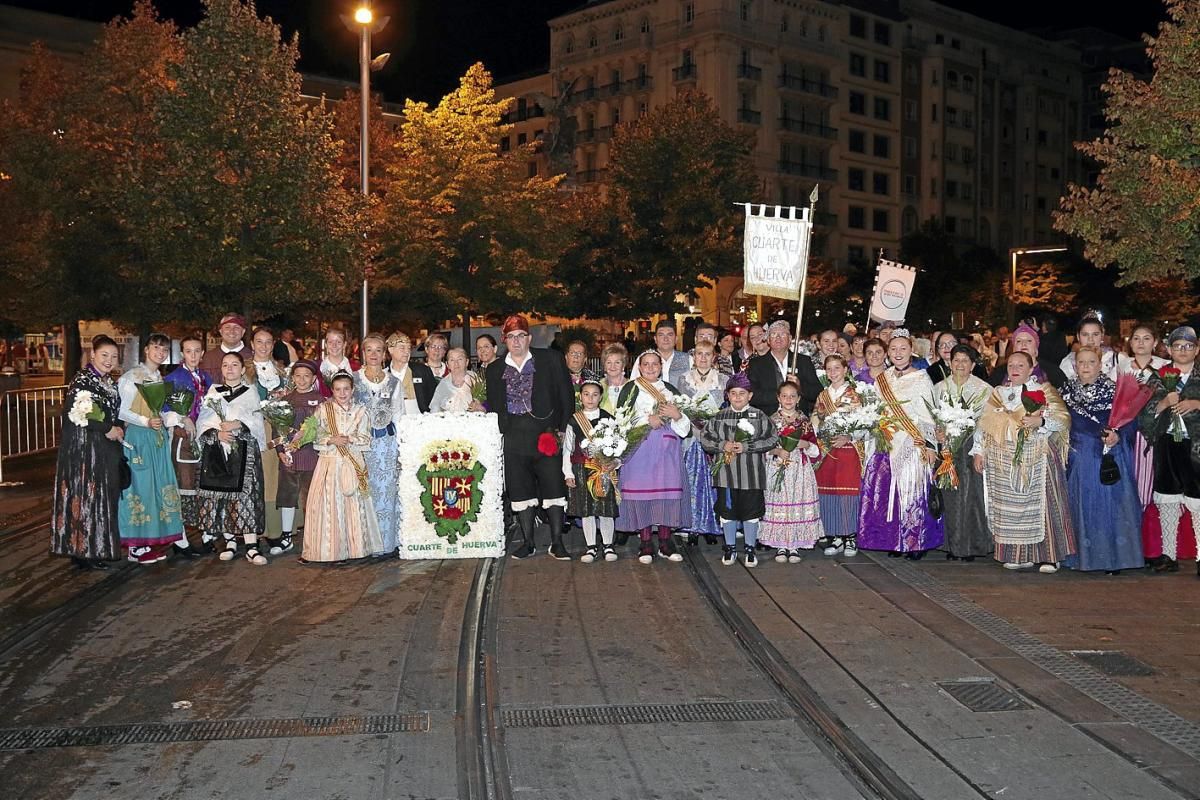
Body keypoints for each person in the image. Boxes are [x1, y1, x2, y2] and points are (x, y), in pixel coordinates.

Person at [973, 351, 1077, 572]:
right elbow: (983, 425)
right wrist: (979, 452)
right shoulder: (997, 394)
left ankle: (1049, 556)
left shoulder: (1043, 390)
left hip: (1038, 457)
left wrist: (1040, 421)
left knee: (1044, 506)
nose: (1015, 368)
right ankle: (1019, 555)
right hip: (1004, 461)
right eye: (1011, 364)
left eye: (1021, 365)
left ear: (1031, 369)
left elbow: (1063, 420)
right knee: (1009, 509)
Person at [485, 315, 575, 560]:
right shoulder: (494, 369)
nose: (516, 341)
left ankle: (557, 542)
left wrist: (562, 429)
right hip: (513, 435)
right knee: (520, 489)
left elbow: (567, 396)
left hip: (546, 433)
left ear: (529, 338)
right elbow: (494, 405)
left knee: (554, 486)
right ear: (505, 340)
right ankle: (528, 542)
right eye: (511, 337)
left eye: (521, 336)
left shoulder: (550, 359)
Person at [857, 332, 944, 558]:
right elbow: (876, 411)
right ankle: (895, 539)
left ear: (911, 351)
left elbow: (927, 417)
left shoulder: (922, 378)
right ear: (888, 352)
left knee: (912, 493)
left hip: (911, 443)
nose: (898, 353)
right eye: (893, 349)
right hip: (886, 441)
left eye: (902, 349)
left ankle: (915, 541)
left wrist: (930, 446)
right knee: (889, 493)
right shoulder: (883, 379)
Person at [1061, 347, 1145, 574]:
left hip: (1110, 454)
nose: (1086, 366)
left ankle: (1114, 559)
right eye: (1081, 362)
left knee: (1112, 507)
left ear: (1100, 364)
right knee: (1083, 505)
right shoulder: (1065, 392)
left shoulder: (1114, 390)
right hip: (1080, 457)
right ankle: (1081, 558)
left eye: (1091, 362)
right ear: (1074, 365)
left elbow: (1130, 421)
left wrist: (1118, 435)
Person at [51, 335, 126, 570]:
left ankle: (93, 548)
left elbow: (112, 412)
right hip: (85, 449)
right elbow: (77, 413)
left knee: (101, 497)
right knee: (86, 497)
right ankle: (84, 550)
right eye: (104, 355)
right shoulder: (83, 380)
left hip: (104, 448)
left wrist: (118, 428)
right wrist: (106, 428)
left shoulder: (109, 382)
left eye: (114, 356)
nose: (109, 360)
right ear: (93, 355)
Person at [615, 350, 692, 563]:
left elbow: (685, 429)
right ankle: (646, 543)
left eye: (655, 364)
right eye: (646, 364)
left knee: (666, 497)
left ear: (661, 367)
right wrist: (646, 420)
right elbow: (621, 421)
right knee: (643, 497)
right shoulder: (630, 388)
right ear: (639, 367)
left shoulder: (670, 390)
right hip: (641, 449)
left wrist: (677, 415)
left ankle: (665, 543)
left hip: (667, 451)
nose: (650, 368)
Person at [117, 333, 186, 564]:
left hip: (155, 437)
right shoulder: (131, 377)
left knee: (157, 487)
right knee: (140, 487)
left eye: (164, 350)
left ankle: (151, 539)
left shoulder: (157, 376)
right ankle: (135, 545)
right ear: (146, 349)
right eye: (156, 347)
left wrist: (171, 417)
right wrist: (146, 421)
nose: (160, 352)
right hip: (139, 438)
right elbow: (122, 411)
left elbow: (157, 410)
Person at [302, 371, 384, 563]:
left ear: (352, 389)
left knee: (353, 505)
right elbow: (314, 436)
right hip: (329, 463)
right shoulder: (323, 409)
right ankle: (328, 550)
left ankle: (355, 548)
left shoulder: (361, 411)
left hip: (351, 462)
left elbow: (366, 438)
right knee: (328, 506)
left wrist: (349, 439)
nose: (342, 393)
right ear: (332, 390)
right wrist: (331, 439)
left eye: (346, 388)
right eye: (338, 389)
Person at [195, 352, 268, 565]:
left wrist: (237, 424)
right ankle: (229, 540)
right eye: (225, 364)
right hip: (218, 450)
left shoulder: (250, 392)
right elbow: (204, 420)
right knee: (223, 496)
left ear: (243, 369)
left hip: (243, 451)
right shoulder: (213, 391)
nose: (230, 368)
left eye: (235, 364)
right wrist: (216, 434)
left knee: (246, 497)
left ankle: (252, 545)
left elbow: (256, 421)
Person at [1138, 326, 1200, 575]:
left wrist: (1196, 403)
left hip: (1195, 447)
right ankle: (1168, 554)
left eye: (1188, 346)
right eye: (1177, 346)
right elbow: (1144, 413)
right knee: (1167, 498)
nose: (1182, 351)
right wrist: (1164, 403)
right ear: (1169, 349)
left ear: (1196, 349)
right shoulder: (1158, 376)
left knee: (1197, 501)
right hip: (1166, 444)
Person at [699, 372, 777, 567]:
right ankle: (730, 547)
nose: (738, 397)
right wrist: (722, 445)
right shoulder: (719, 416)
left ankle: (750, 548)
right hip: (726, 476)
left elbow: (773, 438)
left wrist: (748, 447)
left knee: (751, 513)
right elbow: (705, 439)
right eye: (733, 393)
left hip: (751, 477)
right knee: (728, 512)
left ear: (750, 395)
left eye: (742, 393)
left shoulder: (759, 416)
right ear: (727, 395)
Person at [933, 345, 992, 560]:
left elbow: (986, 424)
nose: (960, 365)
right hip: (947, 449)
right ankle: (950, 545)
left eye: (965, 361)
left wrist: (980, 450)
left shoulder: (983, 389)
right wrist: (938, 433)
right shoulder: (940, 387)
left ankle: (967, 547)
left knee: (969, 497)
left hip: (969, 448)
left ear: (973, 365)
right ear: (949, 363)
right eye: (956, 360)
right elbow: (931, 418)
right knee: (948, 496)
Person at [760, 381, 824, 562]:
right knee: (779, 499)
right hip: (778, 465)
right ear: (778, 398)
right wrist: (777, 451)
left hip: (799, 469)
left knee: (797, 500)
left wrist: (806, 444)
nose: (789, 399)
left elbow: (815, 449)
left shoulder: (804, 422)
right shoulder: (771, 421)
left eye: (793, 396)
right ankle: (781, 545)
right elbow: (764, 447)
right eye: (785, 396)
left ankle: (795, 544)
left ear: (799, 399)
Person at [354, 334, 404, 557]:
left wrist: (401, 449)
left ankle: (386, 542)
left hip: (386, 445)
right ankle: (364, 544)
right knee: (364, 493)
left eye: (378, 350)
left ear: (384, 354)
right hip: (361, 446)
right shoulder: (353, 381)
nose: (373, 355)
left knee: (386, 494)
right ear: (363, 354)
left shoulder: (394, 382)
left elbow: (399, 416)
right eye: (369, 350)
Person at [164, 335, 213, 554]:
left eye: (197, 351)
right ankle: (180, 539)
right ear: (182, 353)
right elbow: (163, 409)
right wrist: (182, 418)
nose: (193, 355)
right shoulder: (173, 378)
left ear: (202, 353)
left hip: (202, 439)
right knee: (183, 487)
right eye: (188, 351)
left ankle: (206, 535)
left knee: (202, 487)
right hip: (182, 439)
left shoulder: (206, 377)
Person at [811, 355, 863, 557]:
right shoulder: (823, 395)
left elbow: (865, 421)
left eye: (837, 368)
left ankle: (850, 536)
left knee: (848, 492)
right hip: (827, 450)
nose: (833, 372)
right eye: (829, 369)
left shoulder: (855, 393)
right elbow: (816, 418)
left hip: (848, 449)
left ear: (845, 370)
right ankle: (835, 535)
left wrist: (848, 436)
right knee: (828, 492)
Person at [562, 381, 620, 563]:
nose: (590, 398)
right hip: (581, 469)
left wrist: (616, 463)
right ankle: (591, 547)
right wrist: (568, 473)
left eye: (595, 394)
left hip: (602, 469)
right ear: (580, 396)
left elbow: (618, 446)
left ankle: (608, 545)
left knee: (605, 509)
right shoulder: (574, 420)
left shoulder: (608, 419)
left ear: (600, 397)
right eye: (586, 394)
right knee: (586, 510)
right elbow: (567, 449)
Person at [677, 340, 727, 545]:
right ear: (694, 357)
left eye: (707, 354)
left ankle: (712, 526)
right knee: (692, 482)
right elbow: (681, 408)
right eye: (699, 354)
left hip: (714, 438)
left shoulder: (723, 380)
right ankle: (691, 526)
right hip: (691, 438)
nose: (703, 358)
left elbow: (725, 408)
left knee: (713, 483)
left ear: (714, 356)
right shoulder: (684, 379)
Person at [271, 359, 322, 556]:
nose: (302, 380)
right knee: (287, 495)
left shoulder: (321, 401)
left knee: (312, 497)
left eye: (307, 376)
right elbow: (276, 429)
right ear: (292, 378)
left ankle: (313, 538)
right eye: (298, 376)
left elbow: (324, 428)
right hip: (289, 456)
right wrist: (281, 452)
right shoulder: (285, 401)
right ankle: (286, 537)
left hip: (312, 455)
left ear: (314, 378)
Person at [1118, 324, 1168, 509]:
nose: (1141, 342)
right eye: (1136, 338)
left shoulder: (1164, 367)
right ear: (1130, 343)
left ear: (1155, 342)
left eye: (1146, 338)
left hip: (1154, 429)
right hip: (1127, 428)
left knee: (1152, 477)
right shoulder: (1122, 366)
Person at [246, 327, 287, 542]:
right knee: (255, 477)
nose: (263, 346)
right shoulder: (244, 369)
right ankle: (253, 529)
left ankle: (273, 528)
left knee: (273, 477)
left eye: (268, 342)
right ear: (252, 344)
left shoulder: (280, 370)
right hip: (253, 428)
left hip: (275, 428)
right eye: (259, 341)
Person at [747, 320, 822, 416]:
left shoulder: (803, 361)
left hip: (798, 420)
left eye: (782, 334)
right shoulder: (757, 364)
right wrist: (782, 395)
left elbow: (818, 392)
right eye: (773, 334)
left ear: (790, 338)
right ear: (768, 340)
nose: (778, 338)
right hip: (769, 420)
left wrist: (800, 386)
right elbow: (752, 395)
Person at [988, 323, 1067, 389]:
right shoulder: (1000, 372)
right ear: (1014, 348)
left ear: (1036, 347)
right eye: (1018, 341)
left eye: (1029, 341)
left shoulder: (1052, 372)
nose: (1023, 344)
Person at [386, 333, 435, 414]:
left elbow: (433, 399)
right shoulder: (383, 372)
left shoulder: (422, 371)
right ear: (390, 349)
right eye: (402, 348)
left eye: (409, 348)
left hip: (418, 419)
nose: (407, 352)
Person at [631, 320, 691, 386]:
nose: (665, 339)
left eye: (670, 335)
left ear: (676, 338)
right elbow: (633, 385)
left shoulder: (688, 359)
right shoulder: (643, 359)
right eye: (661, 335)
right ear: (655, 339)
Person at [431, 346, 486, 413]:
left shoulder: (475, 379)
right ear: (447, 364)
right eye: (452, 360)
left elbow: (488, 403)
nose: (456, 363)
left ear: (467, 362)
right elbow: (434, 407)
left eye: (460, 359)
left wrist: (480, 407)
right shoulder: (443, 384)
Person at [199, 312, 248, 379]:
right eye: (227, 327)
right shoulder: (208, 358)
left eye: (236, 327)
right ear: (221, 331)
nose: (232, 331)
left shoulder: (252, 357)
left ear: (243, 332)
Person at [318, 328, 360, 395]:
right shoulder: (317, 368)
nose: (334, 345)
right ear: (326, 344)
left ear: (344, 344)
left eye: (338, 342)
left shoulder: (356, 369)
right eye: (330, 342)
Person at [598, 343, 629, 414]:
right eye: (609, 362)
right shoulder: (598, 386)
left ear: (623, 365)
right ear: (604, 365)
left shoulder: (633, 386)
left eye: (617, 362)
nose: (613, 366)